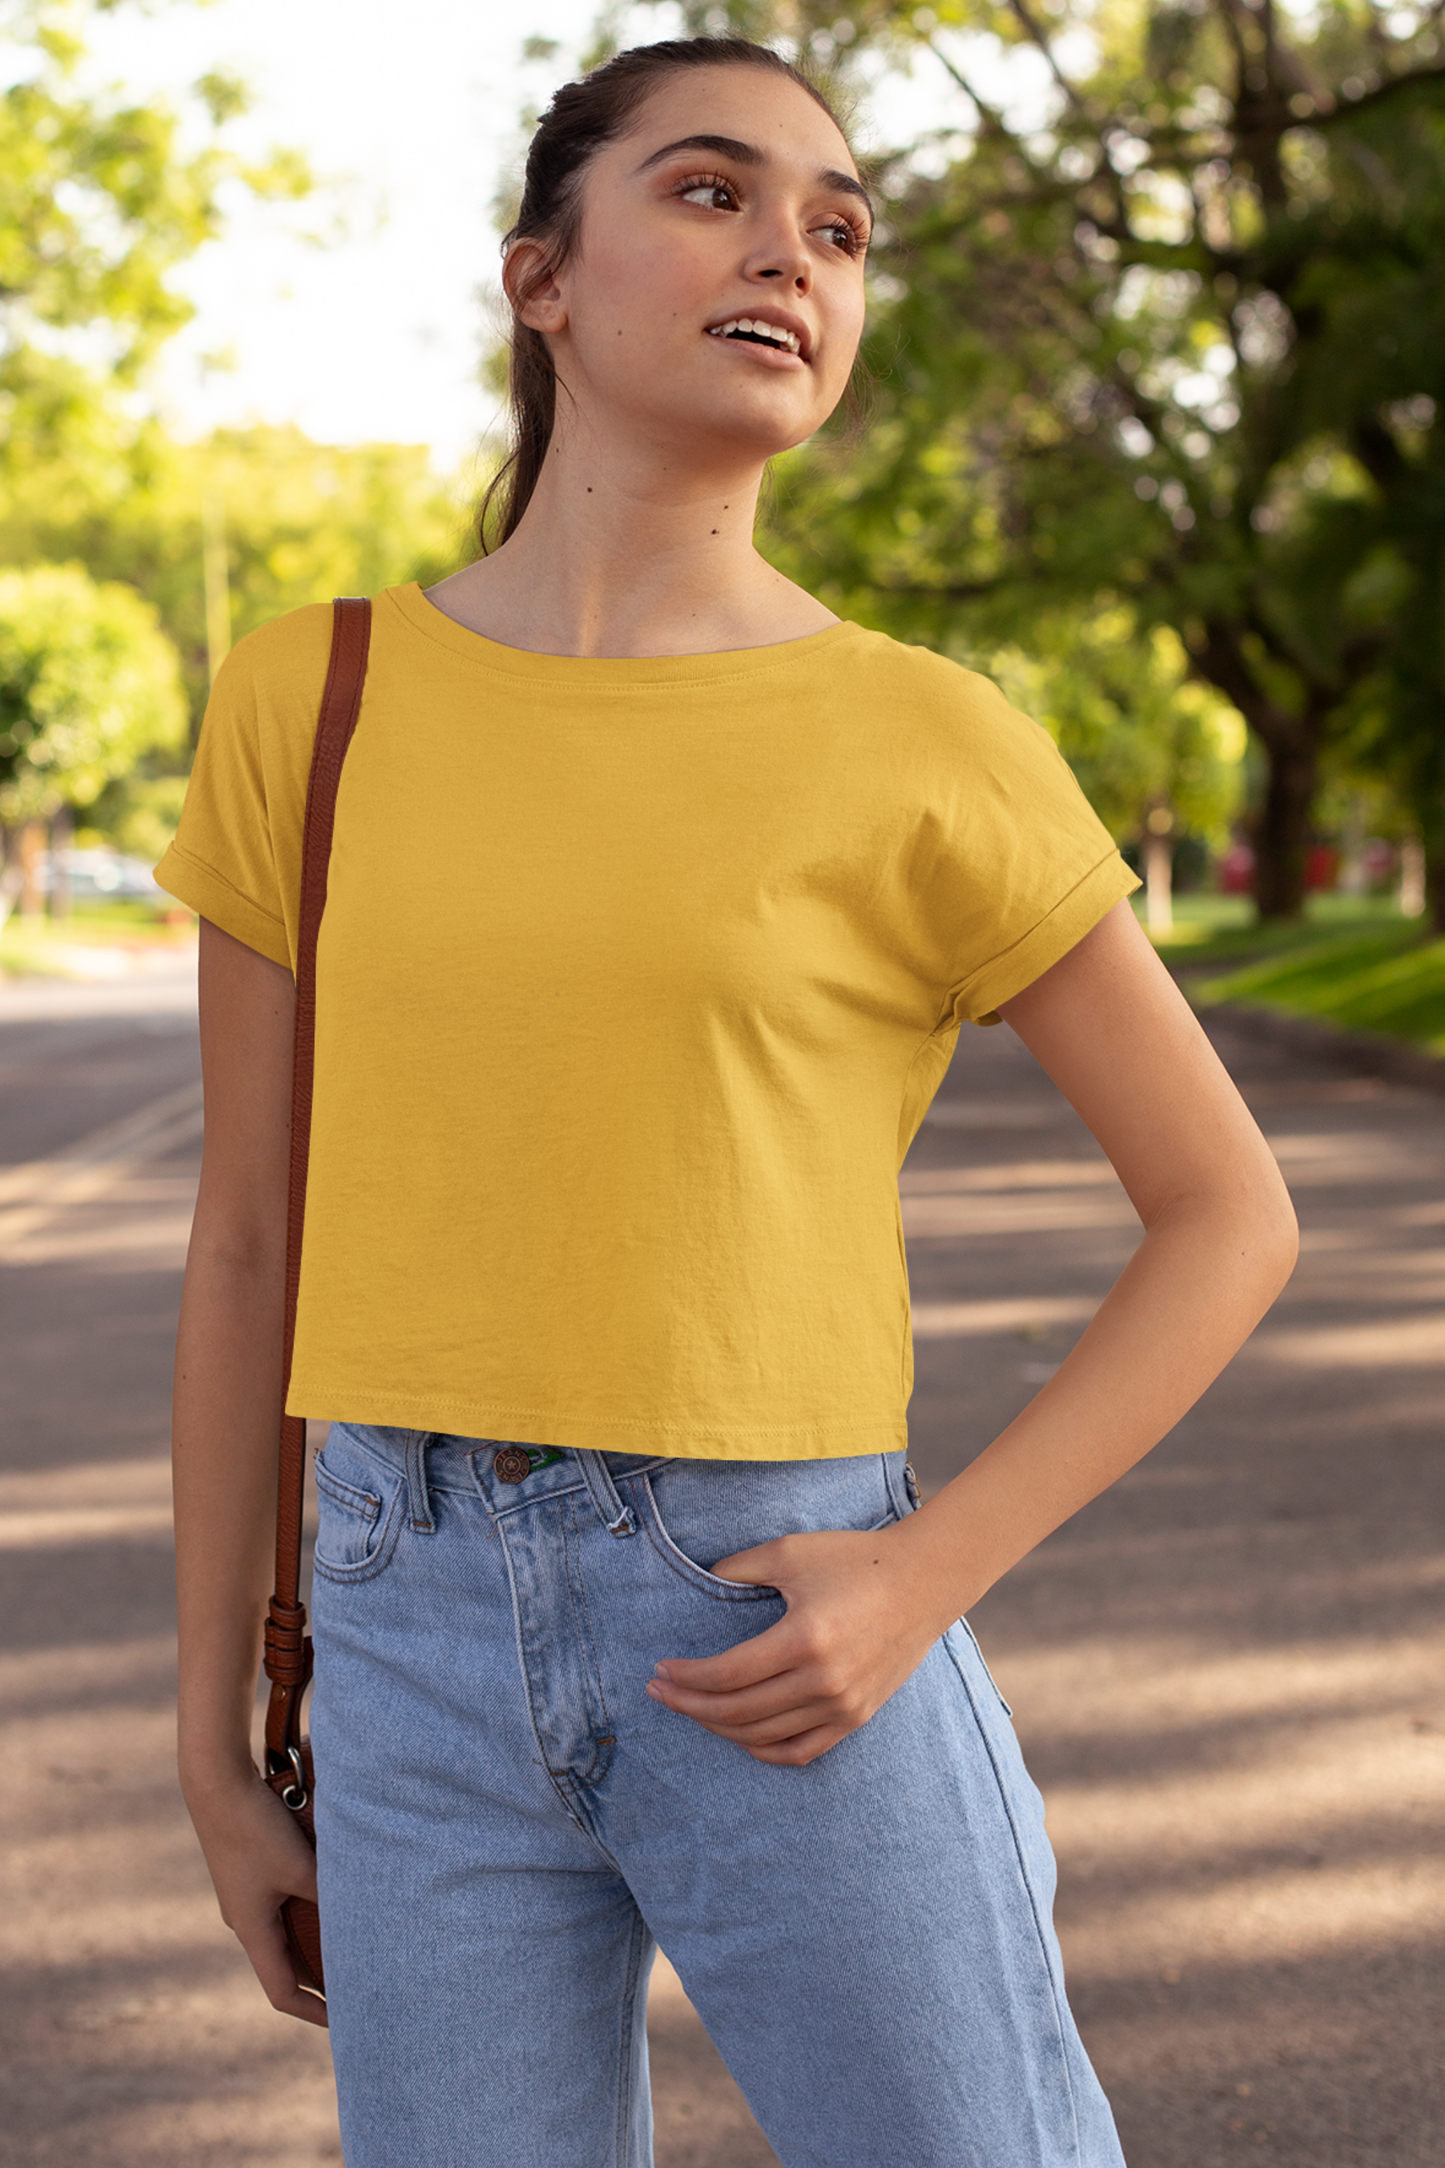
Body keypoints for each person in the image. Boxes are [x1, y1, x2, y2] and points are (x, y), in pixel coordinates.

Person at [161, 35, 1297, 2168]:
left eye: (839, 228)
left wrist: (920, 1576)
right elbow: (245, 1244)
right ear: (542, 280)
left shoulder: (921, 735)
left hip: (774, 1610)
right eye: (710, 192)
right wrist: (218, 1740)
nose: (793, 249)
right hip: (399, 1623)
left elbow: (1227, 1212)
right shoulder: (309, 699)